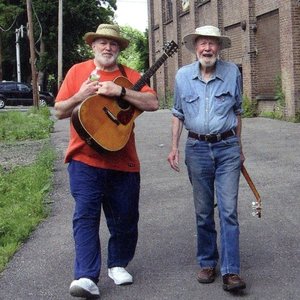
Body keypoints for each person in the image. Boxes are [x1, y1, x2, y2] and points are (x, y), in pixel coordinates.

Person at [55, 23, 158, 298]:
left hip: (123, 159)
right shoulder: (78, 72)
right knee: (86, 216)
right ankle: (86, 276)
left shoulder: (128, 75)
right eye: (103, 42)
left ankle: (117, 263)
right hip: (84, 158)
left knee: (126, 217)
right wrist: (81, 95)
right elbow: (59, 110)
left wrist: (120, 92)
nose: (108, 47)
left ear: (118, 49)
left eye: (113, 44)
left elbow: (153, 103)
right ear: (93, 46)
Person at [167, 25, 246, 292]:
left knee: (228, 211)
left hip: (227, 148)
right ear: (195, 47)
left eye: (212, 43)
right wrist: (174, 147)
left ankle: (231, 271)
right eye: (202, 43)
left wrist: (239, 147)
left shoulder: (232, 72)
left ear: (219, 47)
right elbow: (178, 113)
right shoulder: (182, 76)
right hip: (197, 149)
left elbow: (237, 113)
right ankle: (208, 261)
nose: (207, 48)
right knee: (203, 212)